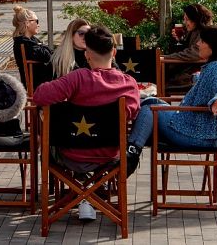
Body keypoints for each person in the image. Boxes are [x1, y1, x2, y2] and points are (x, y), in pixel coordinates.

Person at [34, 25, 140, 220]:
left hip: (70, 153)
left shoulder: (77, 78)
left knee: (50, 141)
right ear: (114, 52)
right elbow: (131, 116)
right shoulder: (128, 84)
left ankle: (81, 196)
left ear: (87, 54)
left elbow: (39, 95)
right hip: (109, 155)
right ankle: (90, 195)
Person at [126, 25, 217, 175]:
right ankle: (135, 144)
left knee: (148, 109)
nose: (198, 44)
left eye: (202, 41)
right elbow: (216, 82)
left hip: (195, 134)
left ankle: (130, 155)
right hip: (200, 130)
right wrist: (198, 78)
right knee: (150, 102)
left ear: (213, 46)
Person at [12, 6, 52, 90]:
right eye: (36, 21)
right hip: (38, 84)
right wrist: (43, 46)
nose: (38, 24)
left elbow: (49, 52)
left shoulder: (32, 39)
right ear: (27, 23)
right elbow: (47, 56)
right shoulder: (23, 42)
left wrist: (43, 46)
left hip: (43, 80)